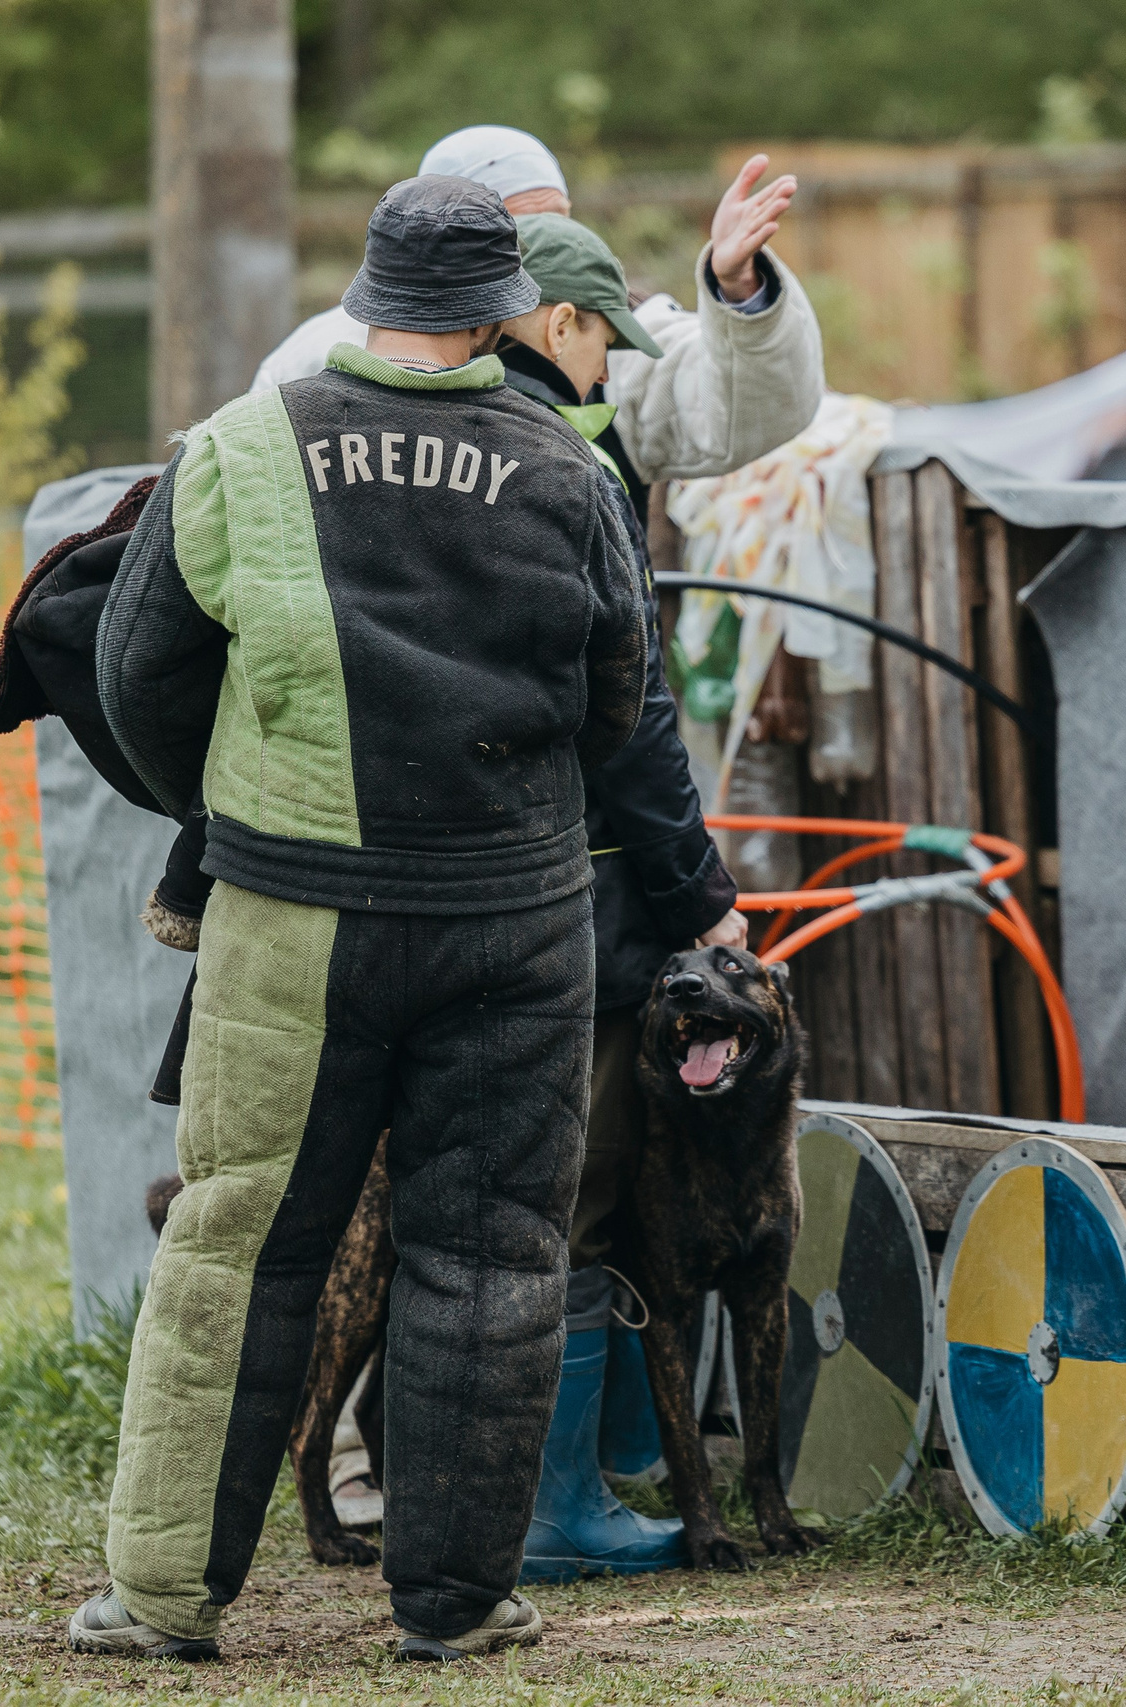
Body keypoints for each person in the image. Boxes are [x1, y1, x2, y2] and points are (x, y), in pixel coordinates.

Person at [71, 175, 648, 1665]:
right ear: (505, 314)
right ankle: (455, 1606)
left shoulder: (242, 445)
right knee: (493, 1255)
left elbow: (136, 673)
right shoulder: (570, 470)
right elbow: (618, 699)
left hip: (294, 913)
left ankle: (162, 1598)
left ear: (366, 295)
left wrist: (244, 801)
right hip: (514, 924)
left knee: (238, 1240)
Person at [487, 212, 747, 1583]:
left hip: (424, 887)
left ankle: (464, 1489)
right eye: (603, 345)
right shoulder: (571, 467)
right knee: (574, 1199)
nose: (606, 374)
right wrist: (701, 894)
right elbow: (633, 714)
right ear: (560, 324)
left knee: (471, 1196)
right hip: (574, 896)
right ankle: (556, 1509)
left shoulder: (414, 436)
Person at [253, 125, 821, 515]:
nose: (553, 241)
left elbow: (749, 411)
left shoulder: (608, 333)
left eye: (562, 220)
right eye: (523, 229)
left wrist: (739, 287)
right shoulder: (326, 355)